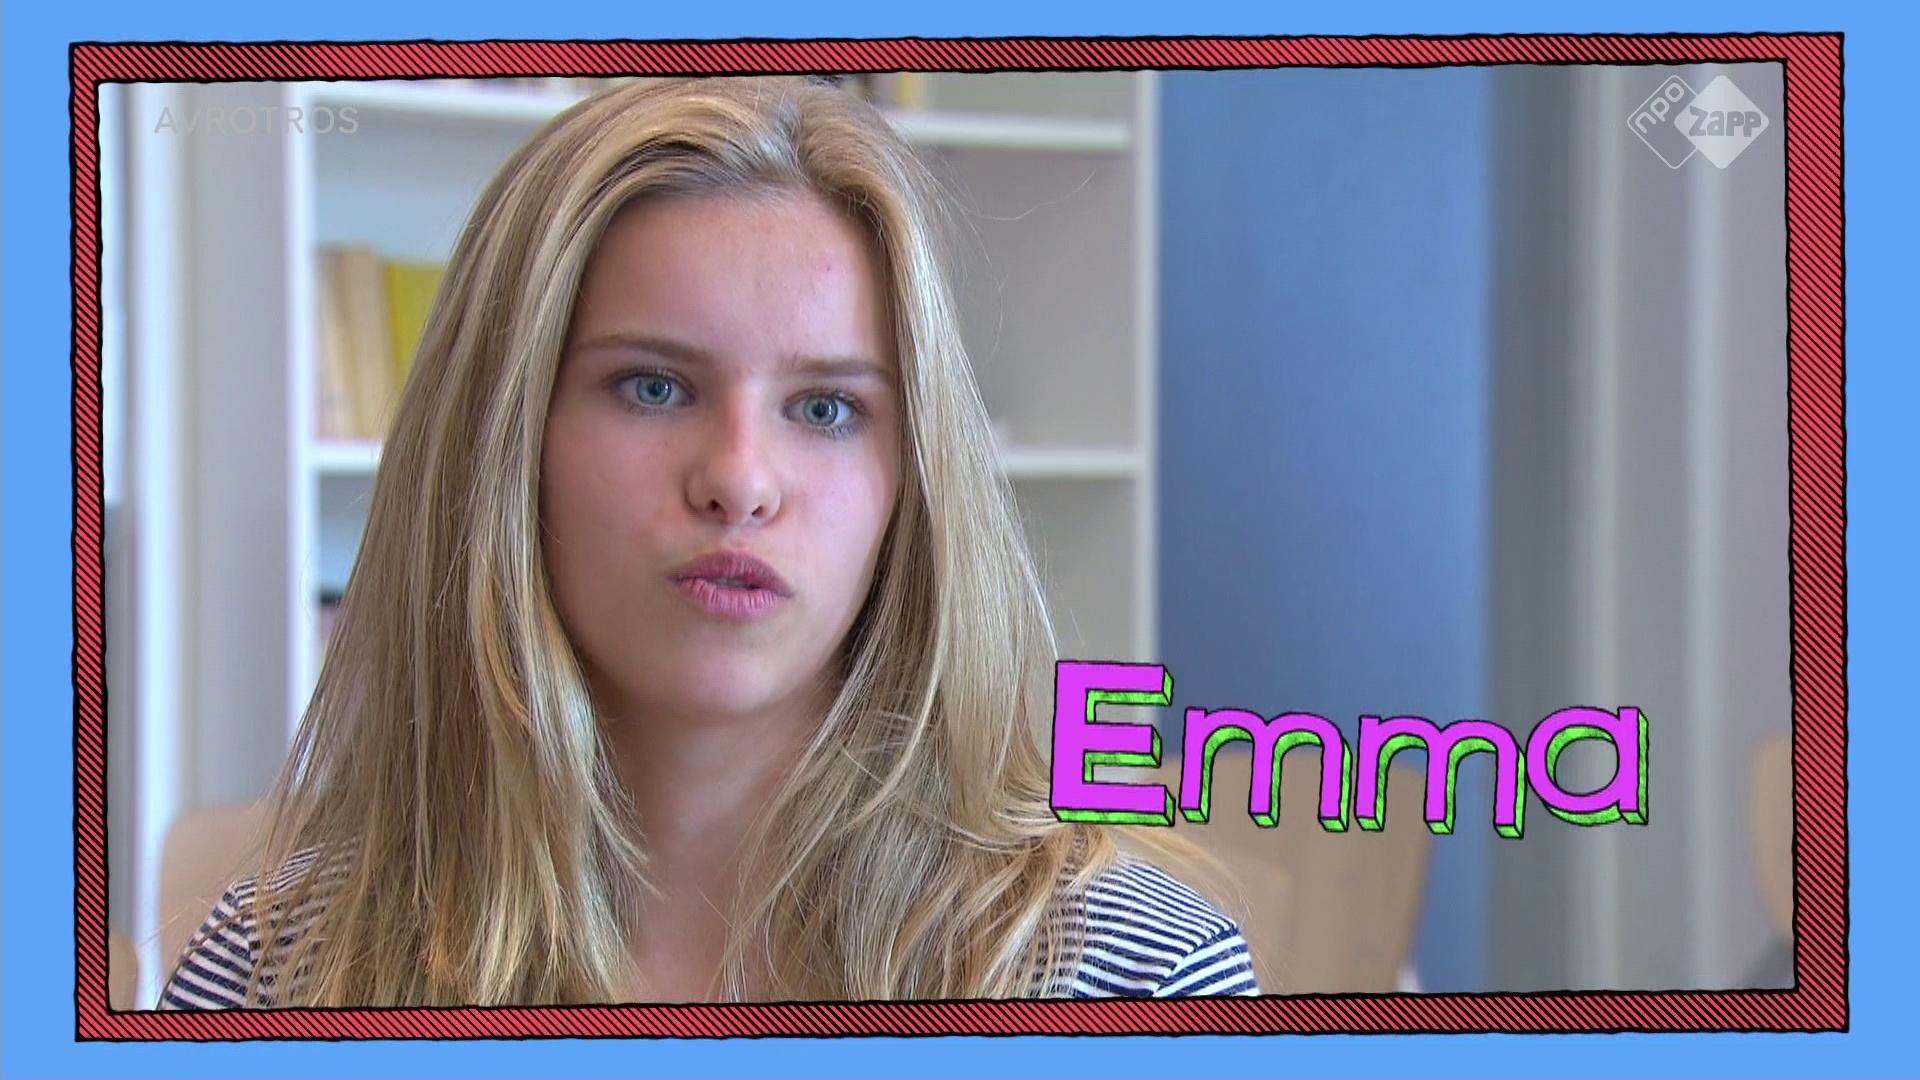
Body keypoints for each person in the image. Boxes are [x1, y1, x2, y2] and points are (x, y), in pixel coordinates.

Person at [159, 74, 1258, 1008]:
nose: (738, 480)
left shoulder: (1133, 978)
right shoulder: (274, 968)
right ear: (505, 442)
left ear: (914, 483)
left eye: (826, 408)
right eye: (652, 387)